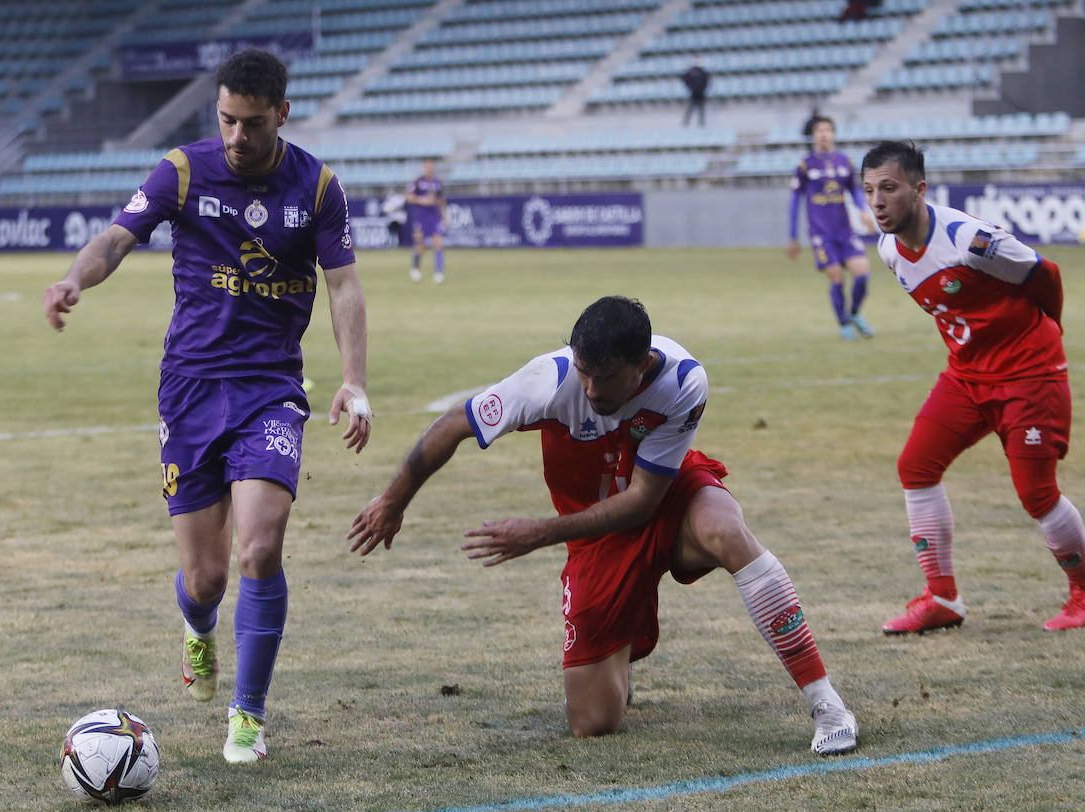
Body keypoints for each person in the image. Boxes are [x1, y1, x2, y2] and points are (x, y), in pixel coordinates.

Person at [42, 47, 373, 763]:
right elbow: (117, 238)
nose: (236, 136)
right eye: (225, 119)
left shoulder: (317, 187)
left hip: (271, 392)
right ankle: (198, 629)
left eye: (251, 123)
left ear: (281, 114)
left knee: (258, 547)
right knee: (207, 578)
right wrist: (74, 278)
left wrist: (354, 378)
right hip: (190, 389)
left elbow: (344, 286)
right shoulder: (183, 170)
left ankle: (248, 717)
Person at [349, 296, 859, 755]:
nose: (590, 389)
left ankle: (827, 705)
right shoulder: (548, 382)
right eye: (583, 372)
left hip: (660, 497)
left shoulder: (683, 382)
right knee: (593, 723)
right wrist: (394, 501)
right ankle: (623, 640)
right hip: (595, 538)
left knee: (726, 531)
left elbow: (642, 501)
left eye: (606, 377)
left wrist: (540, 532)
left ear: (641, 366)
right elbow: (455, 425)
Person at [860, 140, 1085, 634]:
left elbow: (1045, 275)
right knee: (916, 467)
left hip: (1029, 375)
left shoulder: (970, 240)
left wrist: (1048, 337)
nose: (877, 202)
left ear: (919, 189)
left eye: (889, 188)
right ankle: (942, 599)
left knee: (1036, 493)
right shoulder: (890, 249)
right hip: (968, 376)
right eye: (869, 191)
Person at [786, 117, 877, 340]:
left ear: (834, 134)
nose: (824, 134)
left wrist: (864, 209)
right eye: (819, 131)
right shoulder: (806, 165)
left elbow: (855, 191)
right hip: (821, 234)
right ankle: (844, 324)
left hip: (845, 232)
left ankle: (854, 313)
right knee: (836, 277)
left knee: (862, 274)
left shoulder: (845, 162)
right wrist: (793, 236)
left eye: (828, 130)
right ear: (814, 136)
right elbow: (795, 201)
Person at [406, 158, 446, 283]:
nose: (429, 168)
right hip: (421, 217)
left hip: (434, 217)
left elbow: (441, 200)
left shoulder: (437, 183)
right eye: (427, 166)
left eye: (431, 166)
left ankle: (439, 273)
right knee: (420, 245)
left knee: (438, 242)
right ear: (424, 168)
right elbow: (409, 197)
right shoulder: (418, 182)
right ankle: (415, 268)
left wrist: (444, 216)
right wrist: (422, 200)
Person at [680, 56, 709, 128]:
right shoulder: (692, 71)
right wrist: (690, 86)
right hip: (694, 93)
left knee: (701, 110)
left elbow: (706, 81)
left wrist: (702, 88)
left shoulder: (703, 72)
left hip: (701, 93)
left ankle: (701, 125)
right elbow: (684, 77)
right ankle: (685, 125)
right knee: (690, 109)